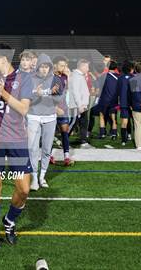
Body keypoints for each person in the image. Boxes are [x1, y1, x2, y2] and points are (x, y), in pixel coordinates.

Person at [0, 44, 33, 252]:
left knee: (24, 189)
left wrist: (2, 93)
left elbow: (24, 109)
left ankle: (9, 220)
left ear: (4, 59)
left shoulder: (24, 78)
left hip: (17, 140)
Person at [27, 54, 62, 191]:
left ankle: (42, 176)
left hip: (50, 117)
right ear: (38, 66)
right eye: (42, 66)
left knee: (47, 149)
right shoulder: (30, 78)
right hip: (33, 116)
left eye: (46, 66)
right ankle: (34, 178)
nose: (44, 69)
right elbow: (27, 95)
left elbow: (58, 99)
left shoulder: (56, 79)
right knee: (33, 149)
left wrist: (46, 93)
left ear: (50, 67)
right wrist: (40, 92)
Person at [52, 55, 74, 166]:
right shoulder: (49, 77)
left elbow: (69, 89)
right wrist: (54, 108)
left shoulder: (65, 76)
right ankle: (49, 156)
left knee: (64, 132)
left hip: (63, 108)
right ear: (55, 65)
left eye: (65, 65)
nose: (64, 67)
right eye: (61, 65)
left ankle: (66, 156)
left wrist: (69, 76)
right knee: (50, 133)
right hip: (52, 109)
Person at [68, 59, 91, 147]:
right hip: (78, 105)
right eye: (87, 67)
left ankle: (83, 140)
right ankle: (64, 140)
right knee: (73, 123)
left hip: (82, 105)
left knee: (84, 122)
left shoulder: (79, 75)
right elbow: (76, 92)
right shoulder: (76, 76)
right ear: (82, 66)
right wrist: (79, 105)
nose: (88, 69)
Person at [128, 62, 141, 150]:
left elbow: (132, 94)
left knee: (137, 126)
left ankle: (139, 145)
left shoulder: (132, 80)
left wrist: (131, 104)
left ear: (135, 70)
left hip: (136, 104)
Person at [96, 61, 119, 140]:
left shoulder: (103, 76)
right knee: (113, 117)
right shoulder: (119, 76)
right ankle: (114, 134)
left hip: (104, 99)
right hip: (114, 99)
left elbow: (99, 88)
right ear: (115, 67)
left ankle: (102, 134)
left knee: (102, 116)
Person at [118, 60, 135, 146]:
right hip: (133, 103)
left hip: (123, 102)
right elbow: (134, 91)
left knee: (124, 121)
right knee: (135, 121)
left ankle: (124, 140)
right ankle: (134, 137)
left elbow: (117, 91)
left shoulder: (120, 78)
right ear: (131, 68)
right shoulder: (133, 77)